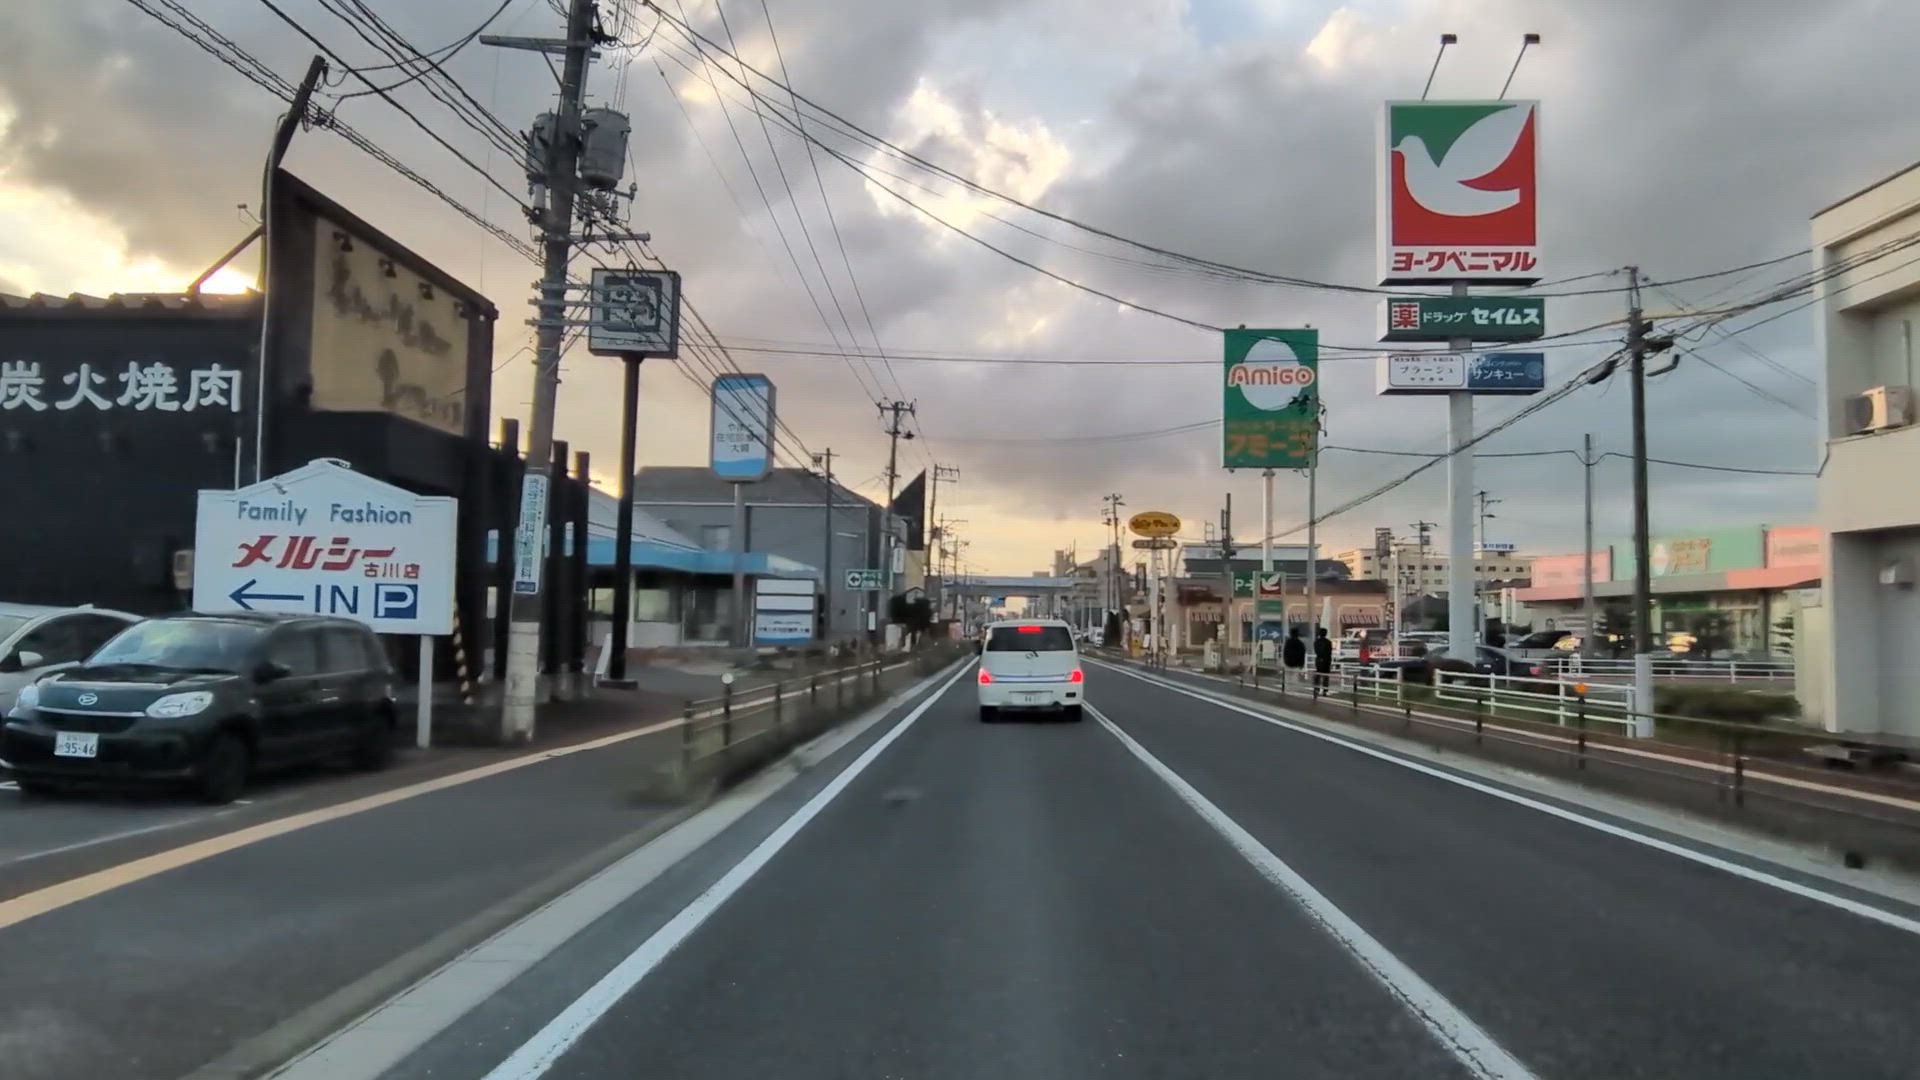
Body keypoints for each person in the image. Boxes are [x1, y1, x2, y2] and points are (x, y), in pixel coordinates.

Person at [1312, 626, 1333, 695]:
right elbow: (1330, 652)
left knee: (1318, 675)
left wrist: (1320, 656)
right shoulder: (1328, 642)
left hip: (1319, 660)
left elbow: (1316, 651)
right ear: (1326, 634)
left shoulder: (1316, 642)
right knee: (1326, 676)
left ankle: (1316, 689)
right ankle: (1325, 691)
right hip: (1326, 660)